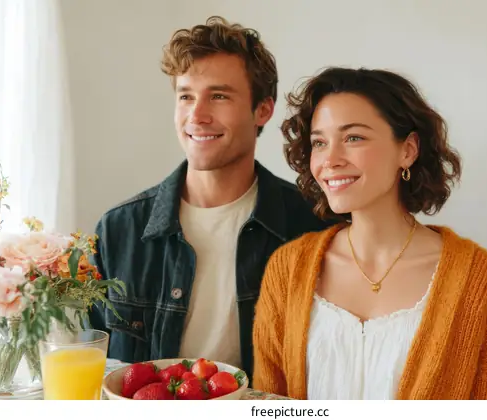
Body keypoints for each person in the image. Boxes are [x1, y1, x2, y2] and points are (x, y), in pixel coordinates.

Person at [252, 67, 487, 399]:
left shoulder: (482, 282)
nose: (330, 159)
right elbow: (268, 403)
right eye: (319, 142)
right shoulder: (286, 270)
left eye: (353, 137)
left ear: (408, 150)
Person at [88, 16, 330, 380]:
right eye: (186, 96)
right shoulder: (117, 230)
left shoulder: (311, 226)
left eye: (218, 96)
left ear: (263, 109)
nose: (197, 116)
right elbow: (92, 366)